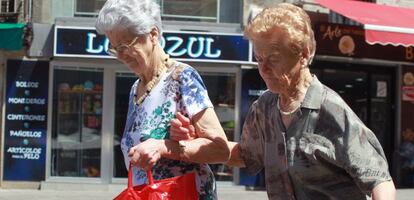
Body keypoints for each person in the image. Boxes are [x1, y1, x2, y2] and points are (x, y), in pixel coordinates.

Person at [170, 3, 396, 200]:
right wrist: (196, 140)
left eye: (273, 59)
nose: (264, 69)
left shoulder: (332, 110)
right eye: (259, 59)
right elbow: (244, 155)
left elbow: (379, 180)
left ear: (304, 54)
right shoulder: (264, 108)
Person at [95, 0, 230, 199]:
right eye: (114, 48)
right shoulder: (136, 88)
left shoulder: (182, 78)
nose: (120, 56)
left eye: (125, 45)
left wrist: (162, 146)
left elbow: (220, 150)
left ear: (153, 34)